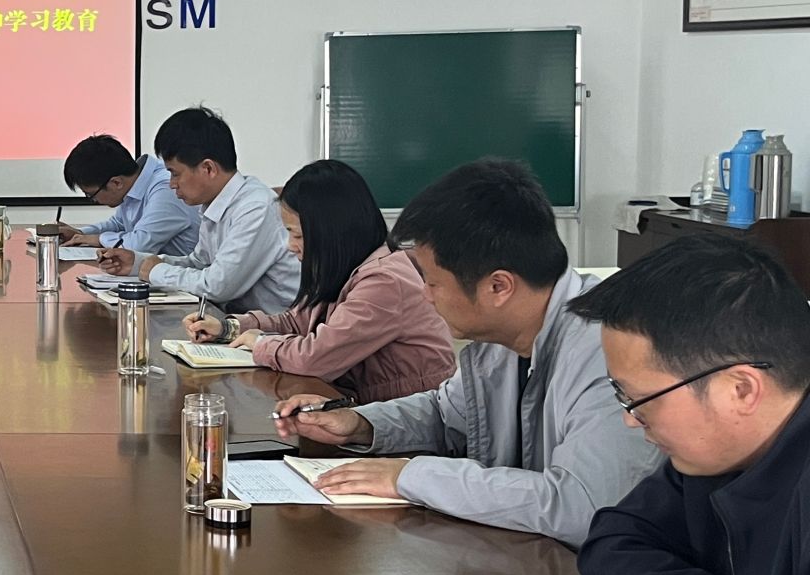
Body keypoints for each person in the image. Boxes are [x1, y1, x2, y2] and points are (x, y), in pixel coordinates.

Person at [275, 158, 656, 545]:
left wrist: (411, 476)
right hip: (520, 553)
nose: (425, 296)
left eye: (433, 283)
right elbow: (447, 415)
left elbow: (579, 505)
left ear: (498, 287)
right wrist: (359, 423)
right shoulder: (502, 335)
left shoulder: (608, 350)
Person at [522, 234, 810, 575]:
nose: (630, 420)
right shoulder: (712, 454)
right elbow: (613, 540)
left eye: (636, 399)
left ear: (740, 389)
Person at [184, 159, 454, 403]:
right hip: (362, 404)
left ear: (331, 232)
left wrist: (261, 343)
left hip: (405, 421)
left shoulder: (384, 281)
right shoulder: (344, 267)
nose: (290, 246)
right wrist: (229, 328)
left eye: (298, 235)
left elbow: (317, 358)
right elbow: (295, 321)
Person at [99, 106, 299, 313]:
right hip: (237, 319)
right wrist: (138, 262)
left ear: (208, 169)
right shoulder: (216, 203)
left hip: (276, 326)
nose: (172, 184)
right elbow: (200, 263)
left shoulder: (255, 207)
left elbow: (217, 286)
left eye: (175, 173)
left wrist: (155, 271)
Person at [57, 133, 199, 255]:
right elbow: (118, 224)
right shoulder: (132, 184)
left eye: (91, 195)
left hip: (187, 274)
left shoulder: (166, 188)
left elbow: (140, 245)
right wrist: (80, 234)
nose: (93, 200)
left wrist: (99, 239)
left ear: (116, 182)